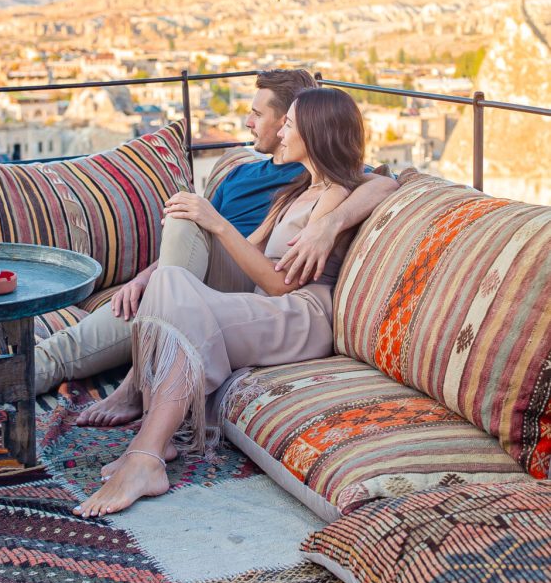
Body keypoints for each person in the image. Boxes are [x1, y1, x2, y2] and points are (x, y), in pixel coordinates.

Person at [74, 87, 370, 517]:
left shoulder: (337, 194)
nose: (280, 133)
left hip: (301, 315)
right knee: (171, 282)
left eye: (288, 125)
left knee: (182, 297)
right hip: (266, 305)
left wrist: (215, 222)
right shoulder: (296, 191)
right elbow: (247, 253)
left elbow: (281, 286)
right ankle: (150, 447)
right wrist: (152, 274)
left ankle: (147, 455)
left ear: (316, 133)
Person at [34, 70, 396, 422]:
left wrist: (330, 225)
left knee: (66, 352)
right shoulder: (244, 173)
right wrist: (147, 278)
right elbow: (194, 240)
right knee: (181, 216)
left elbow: (384, 182)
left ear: (297, 124)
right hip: (188, 274)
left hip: (228, 288)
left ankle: (132, 383)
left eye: (259, 114)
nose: (248, 122)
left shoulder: (307, 172)